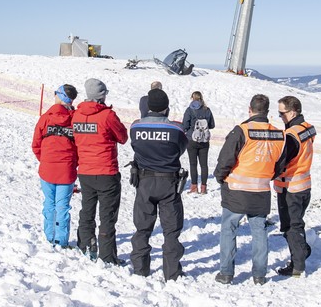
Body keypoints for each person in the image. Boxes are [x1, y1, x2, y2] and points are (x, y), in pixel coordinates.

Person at [213, 94, 286, 286]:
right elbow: (280, 163)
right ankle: (259, 274)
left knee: (229, 229)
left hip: (236, 189)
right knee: (259, 231)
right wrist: (266, 176)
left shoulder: (241, 131)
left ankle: (226, 272)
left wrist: (220, 177)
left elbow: (226, 158)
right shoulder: (279, 134)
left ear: (250, 109)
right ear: (267, 111)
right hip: (261, 190)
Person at [129, 88, 188, 282]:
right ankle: (172, 273)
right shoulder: (176, 129)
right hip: (169, 182)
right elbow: (180, 149)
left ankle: (140, 268)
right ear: (166, 108)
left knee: (142, 228)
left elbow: (135, 147)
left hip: (145, 182)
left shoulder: (136, 128)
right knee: (171, 230)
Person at [72, 78, 129, 265]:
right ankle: (107, 255)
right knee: (107, 215)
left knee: (87, 210)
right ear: (102, 95)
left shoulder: (76, 115)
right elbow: (122, 137)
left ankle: (86, 245)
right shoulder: (107, 115)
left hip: (86, 170)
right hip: (106, 171)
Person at [31, 84, 79, 248]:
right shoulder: (75, 119)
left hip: (47, 169)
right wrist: (73, 162)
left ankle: (49, 236)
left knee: (49, 203)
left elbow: (36, 144)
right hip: (66, 170)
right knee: (63, 207)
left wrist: (44, 160)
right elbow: (80, 145)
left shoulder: (46, 117)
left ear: (60, 97)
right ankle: (61, 240)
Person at [273, 95, 316, 277]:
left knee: (291, 226)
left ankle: (297, 265)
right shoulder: (307, 128)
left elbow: (282, 162)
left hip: (290, 187)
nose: (280, 117)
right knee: (297, 223)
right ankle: (301, 250)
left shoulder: (291, 135)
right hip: (304, 184)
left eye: (282, 113)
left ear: (292, 112)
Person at [181, 91, 215, 194]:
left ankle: (194, 187)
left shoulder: (189, 110)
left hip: (192, 139)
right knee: (204, 165)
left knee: (193, 164)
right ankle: (204, 188)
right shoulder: (207, 110)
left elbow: (185, 125)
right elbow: (212, 125)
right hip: (204, 140)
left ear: (192, 98)